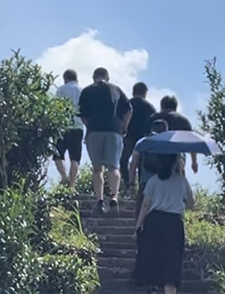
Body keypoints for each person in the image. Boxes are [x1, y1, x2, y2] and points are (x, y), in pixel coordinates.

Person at [134, 148, 196, 294]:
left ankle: (152, 289)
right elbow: (191, 204)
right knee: (172, 261)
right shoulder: (182, 181)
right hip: (174, 223)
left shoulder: (153, 181)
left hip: (154, 221)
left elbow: (145, 205)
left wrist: (139, 226)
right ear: (176, 161)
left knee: (152, 255)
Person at [77, 67, 132, 209]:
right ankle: (114, 196)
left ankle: (99, 199)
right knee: (113, 166)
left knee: (97, 169)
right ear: (107, 77)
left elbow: (82, 115)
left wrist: (89, 126)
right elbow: (128, 110)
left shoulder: (87, 91)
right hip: (114, 130)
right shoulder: (116, 89)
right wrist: (123, 127)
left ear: (93, 77)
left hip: (94, 130)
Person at [120, 81, 156, 195]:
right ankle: (141, 187)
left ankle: (127, 184)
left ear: (133, 91)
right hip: (143, 137)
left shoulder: (128, 104)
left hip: (129, 135)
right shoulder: (150, 107)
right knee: (141, 163)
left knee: (123, 160)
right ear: (145, 93)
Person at [51, 69, 84, 188]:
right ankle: (72, 185)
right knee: (75, 157)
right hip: (78, 126)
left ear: (65, 79)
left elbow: (55, 106)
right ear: (76, 78)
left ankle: (64, 177)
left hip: (63, 126)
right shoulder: (82, 91)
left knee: (58, 155)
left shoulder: (61, 89)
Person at [152, 94, 197, 175]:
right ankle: (179, 181)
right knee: (179, 159)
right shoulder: (183, 121)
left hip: (155, 156)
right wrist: (194, 162)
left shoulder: (153, 118)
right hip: (176, 157)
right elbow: (192, 142)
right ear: (175, 107)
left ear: (162, 106)